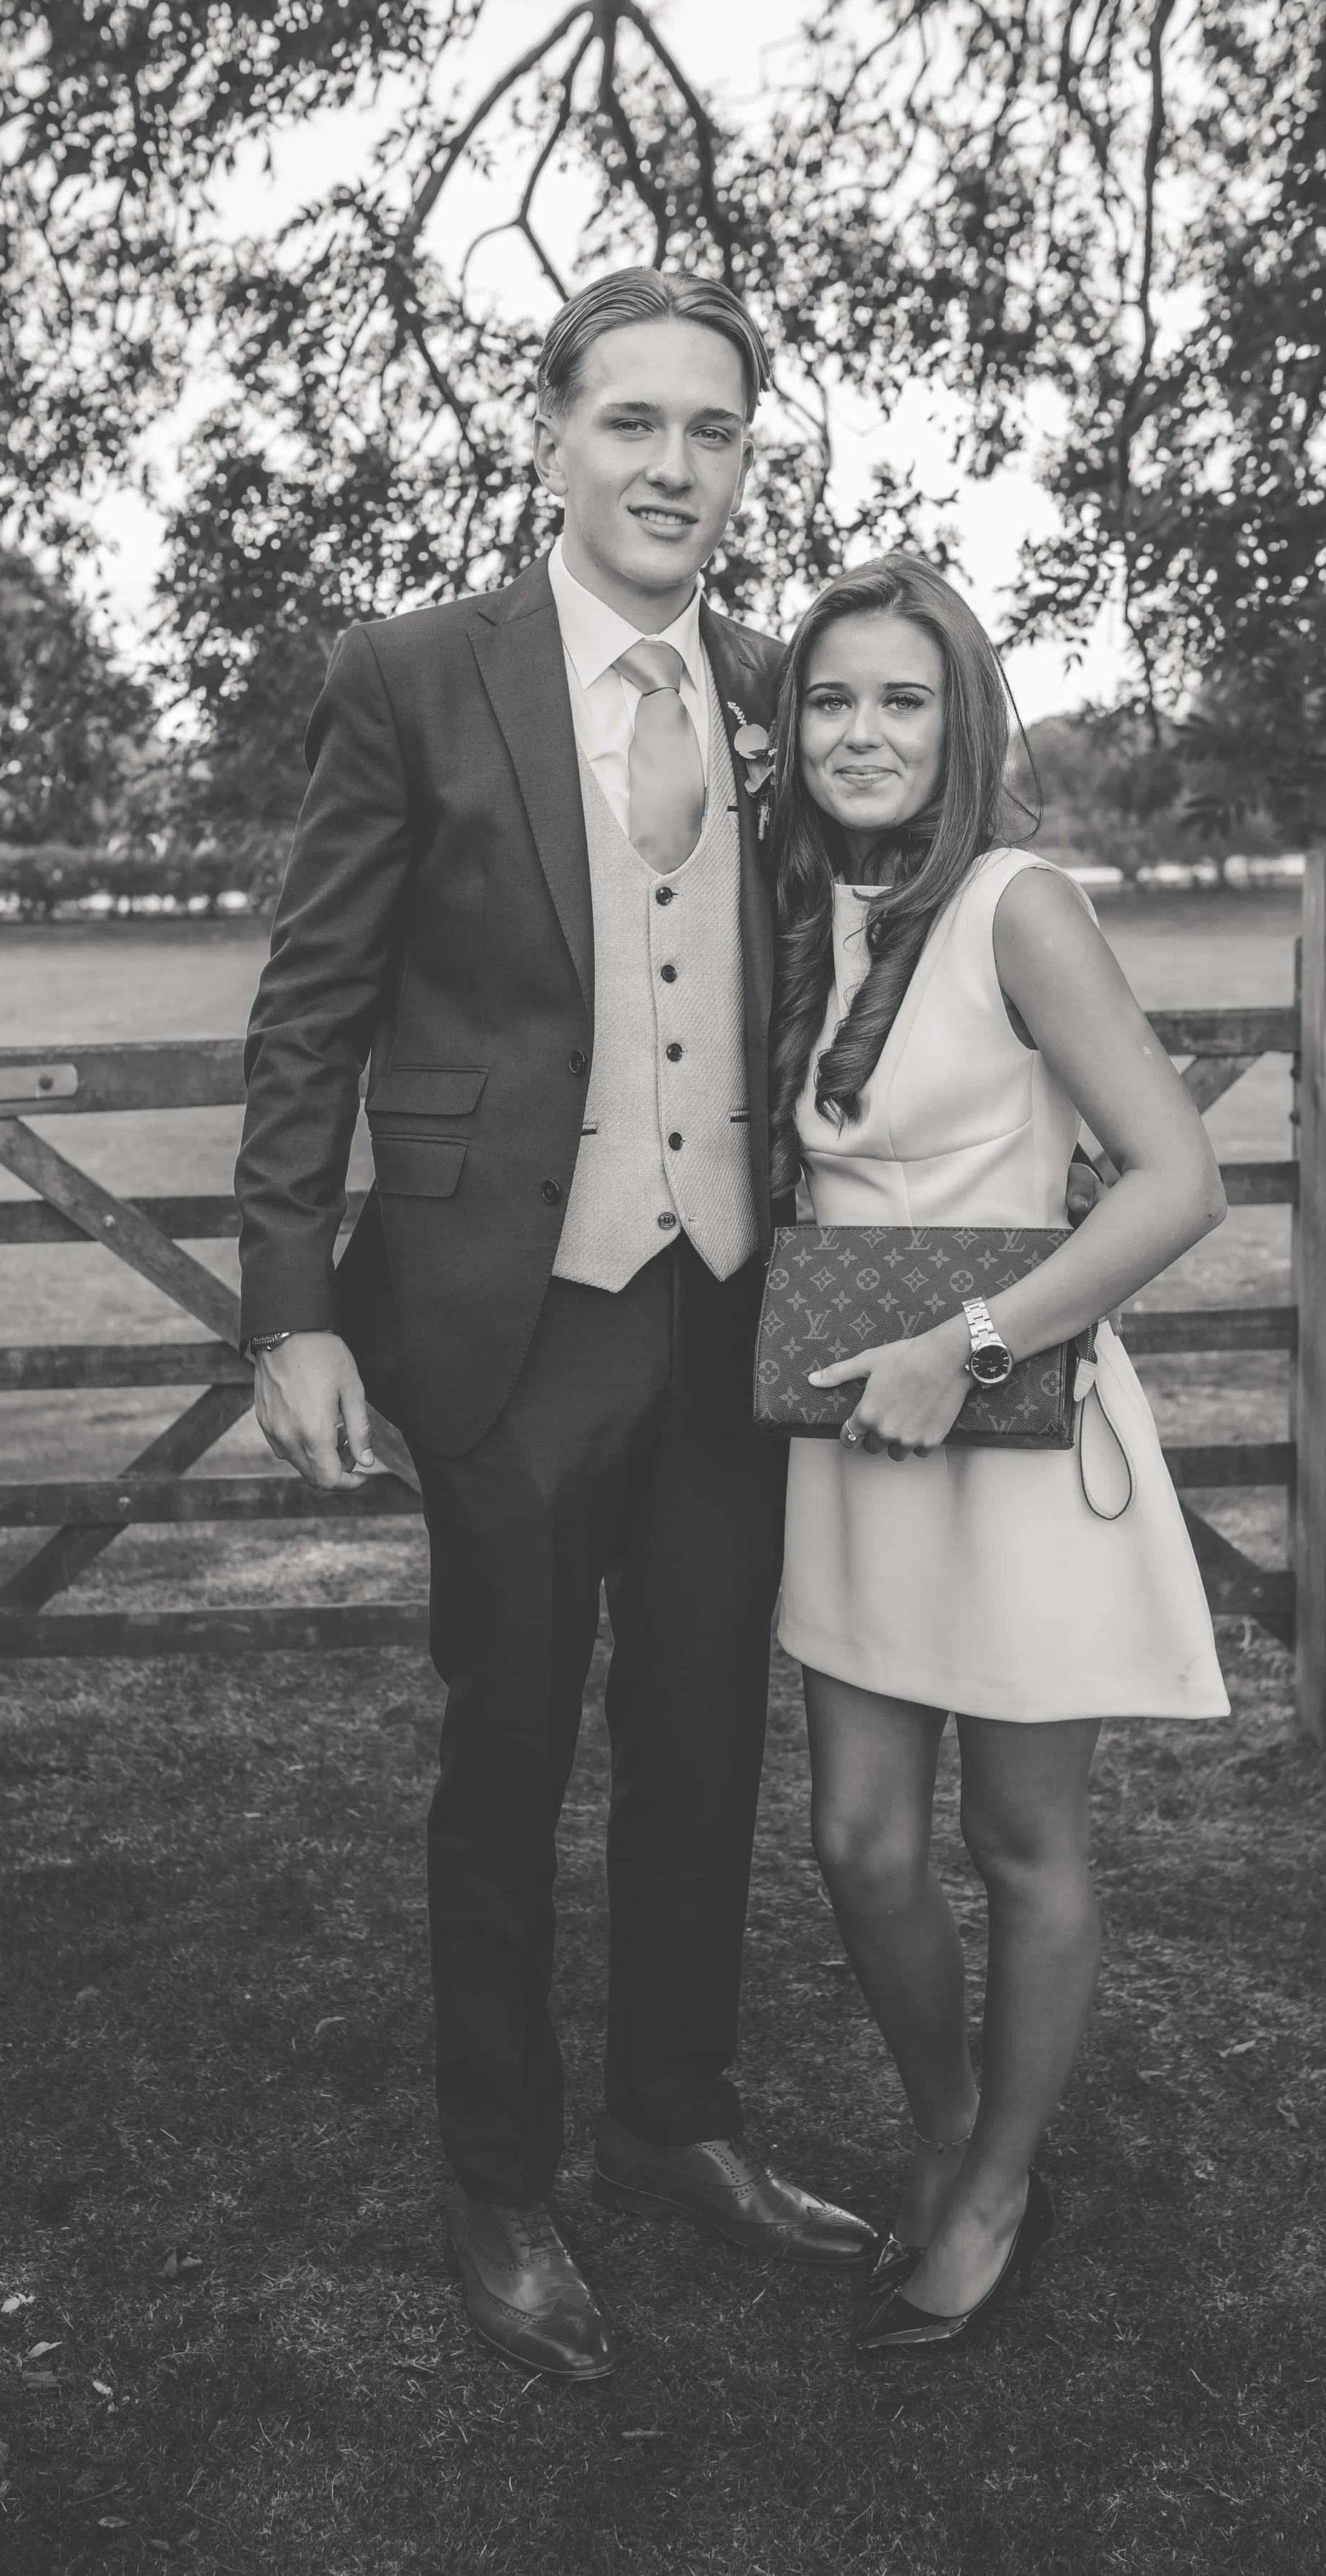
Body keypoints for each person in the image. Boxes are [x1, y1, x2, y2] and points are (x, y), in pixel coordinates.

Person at [233, 268, 881, 2385]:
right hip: (503, 1316)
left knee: (701, 1748)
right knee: (504, 1758)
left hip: (726, 1317)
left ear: (742, 460)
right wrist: (289, 1308)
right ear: (550, 435)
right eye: (631, 423)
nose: (670, 465)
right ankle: (496, 2180)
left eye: (710, 431)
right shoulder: (417, 673)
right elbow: (313, 999)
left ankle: (674, 2115)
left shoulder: (794, 691)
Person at [768, 553, 1231, 2358]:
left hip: (1008, 1424)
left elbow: (1182, 1182)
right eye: (827, 699)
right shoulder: (809, 911)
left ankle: (998, 2174)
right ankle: (943, 2120)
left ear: (960, 721)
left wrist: (964, 1352)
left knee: (1019, 1838)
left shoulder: (1018, 903)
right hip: (846, 1436)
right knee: (855, 1840)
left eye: (901, 699)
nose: (861, 733)